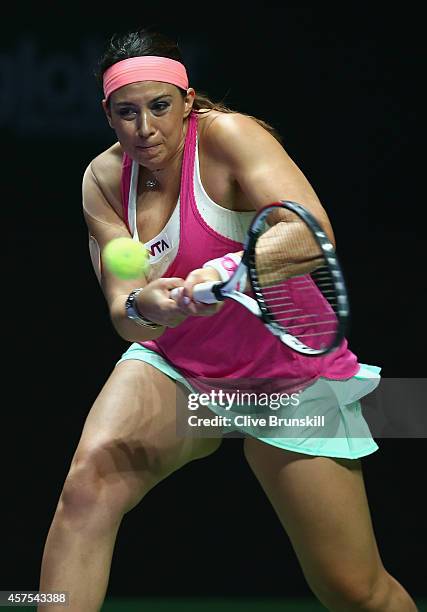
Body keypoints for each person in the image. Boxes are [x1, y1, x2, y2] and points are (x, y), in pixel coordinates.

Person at [38, 27, 418, 612]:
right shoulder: (103, 179)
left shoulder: (231, 136)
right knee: (88, 486)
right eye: (127, 112)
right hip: (181, 368)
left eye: (160, 106)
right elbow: (124, 313)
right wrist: (151, 306)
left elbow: (311, 231)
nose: (145, 129)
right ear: (108, 115)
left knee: (355, 591)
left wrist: (234, 270)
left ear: (188, 101)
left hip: (285, 378)